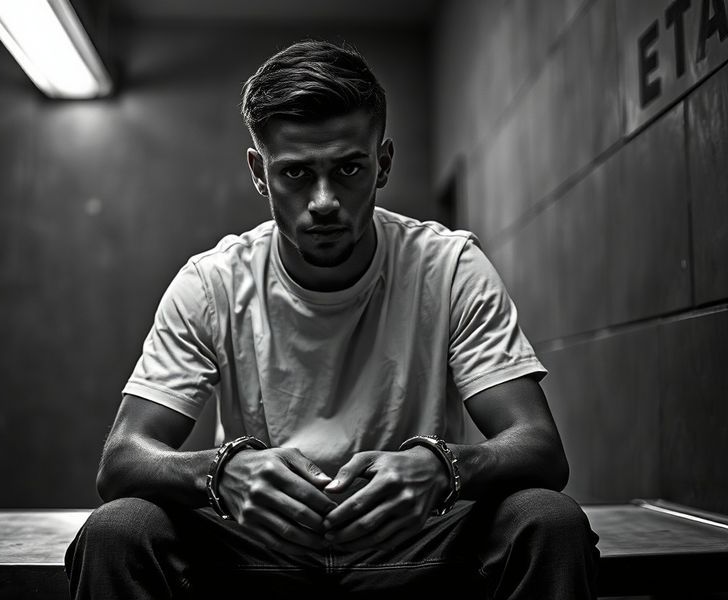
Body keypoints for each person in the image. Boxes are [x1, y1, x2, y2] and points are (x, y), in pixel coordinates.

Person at [65, 39, 599, 599]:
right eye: (296, 174)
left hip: (414, 545)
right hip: (258, 549)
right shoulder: (213, 283)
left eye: (348, 168)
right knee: (120, 530)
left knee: (548, 519)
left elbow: (539, 446)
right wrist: (220, 473)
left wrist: (445, 468)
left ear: (383, 164)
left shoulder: (449, 266)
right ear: (258, 171)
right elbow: (123, 458)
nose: (323, 200)